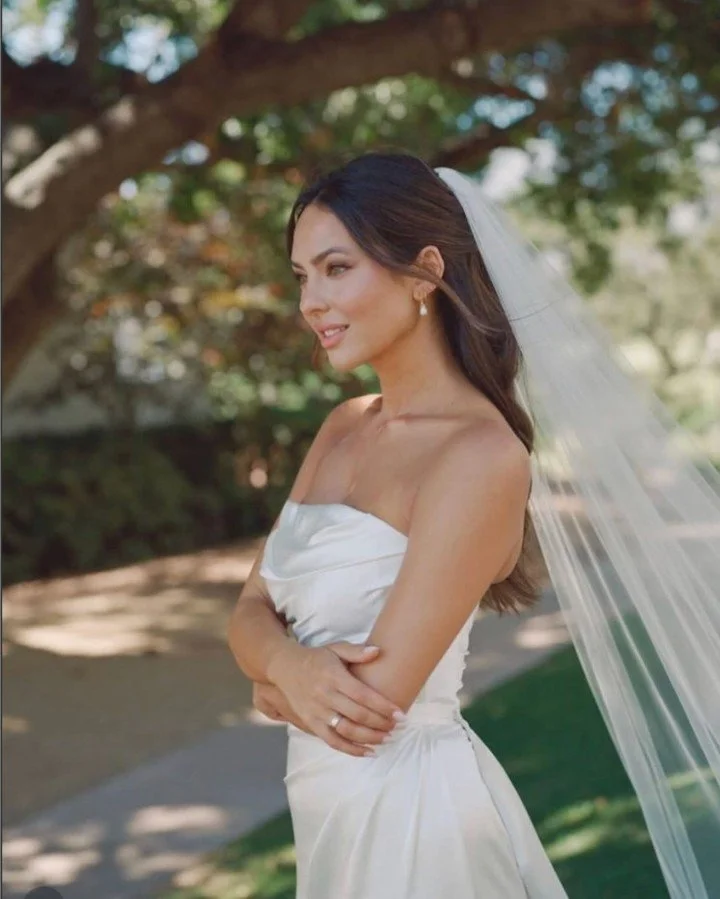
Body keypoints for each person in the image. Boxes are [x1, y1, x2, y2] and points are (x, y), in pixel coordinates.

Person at [227, 151, 720, 899]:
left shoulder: (481, 454)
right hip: (328, 814)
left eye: (336, 268)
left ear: (424, 271)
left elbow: (373, 703)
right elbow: (245, 611)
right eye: (303, 277)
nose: (310, 302)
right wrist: (290, 668)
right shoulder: (341, 426)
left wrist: (269, 676)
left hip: (416, 827)